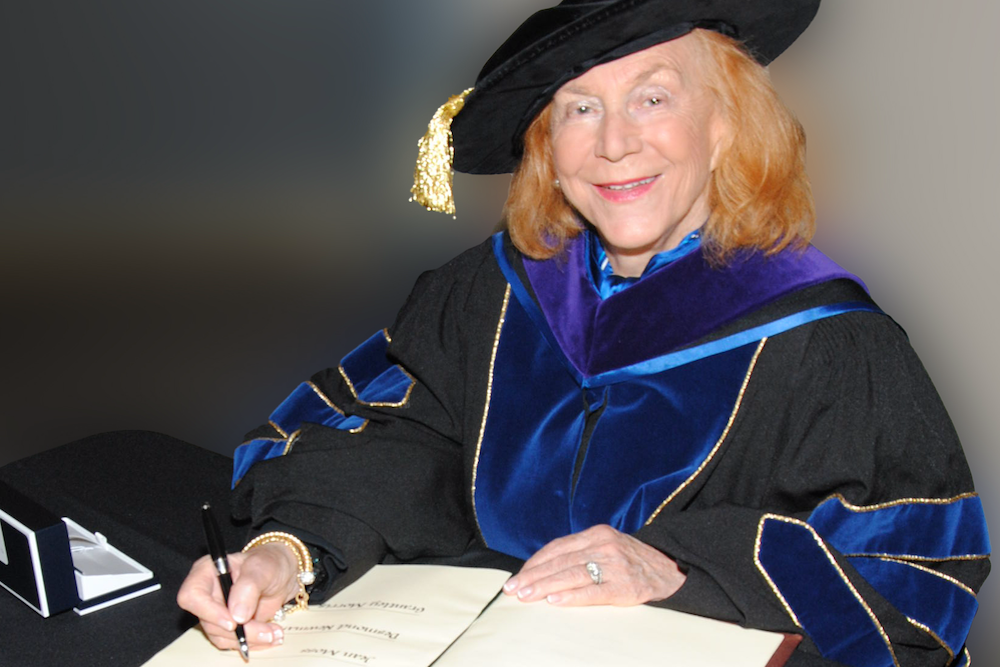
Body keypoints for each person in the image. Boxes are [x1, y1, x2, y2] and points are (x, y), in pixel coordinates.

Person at [177, 1, 990, 665]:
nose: (613, 143)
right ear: (548, 150)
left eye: (654, 96)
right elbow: (404, 436)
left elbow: (912, 577)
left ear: (725, 125)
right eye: (579, 108)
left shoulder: (830, 342)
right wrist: (290, 549)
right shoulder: (492, 291)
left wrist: (681, 564)